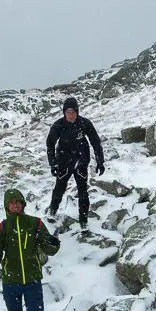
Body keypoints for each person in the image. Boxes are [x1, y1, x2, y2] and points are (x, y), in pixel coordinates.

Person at [46, 96, 105, 230]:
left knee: (83, 192)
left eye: (73, 112)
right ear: (64, 113)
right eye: (68, 112)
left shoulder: (85, 123)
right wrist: (53, 163)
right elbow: (50, 144)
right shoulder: (58, 125)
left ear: (77, 112)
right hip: (63, 163)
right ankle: (52, 211)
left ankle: (83, 221)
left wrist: (100, 161)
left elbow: (95, 141)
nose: (71, 115)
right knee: (59, 189)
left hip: (81, 163)